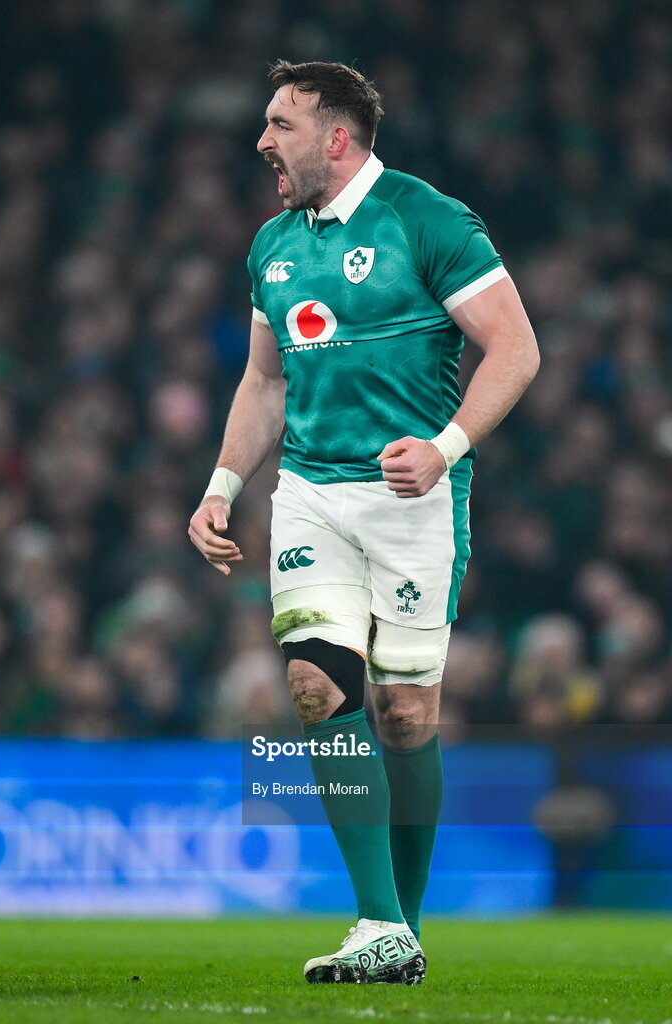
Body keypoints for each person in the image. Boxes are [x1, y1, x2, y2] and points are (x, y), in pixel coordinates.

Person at [188, 60, 539, 984]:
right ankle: (376, 918)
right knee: (314, 684)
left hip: (413, 499)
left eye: (280, 125)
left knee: (406, 713)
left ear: (334, 136)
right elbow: (266, 382)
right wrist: (223, 481)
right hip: (310, 492)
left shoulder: (428, 220)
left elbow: (516, 347)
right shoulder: (271, 246)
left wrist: (446, 445)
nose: (262, 141)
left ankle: (400, 935)